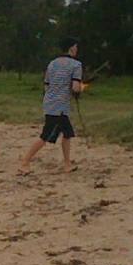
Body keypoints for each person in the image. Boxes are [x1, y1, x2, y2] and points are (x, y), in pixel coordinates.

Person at [19, 37, 83, 176]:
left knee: (67, 134)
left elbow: (46, 84)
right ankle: (25, 162)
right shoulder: (76, 65)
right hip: (59, 107)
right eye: (76, 47)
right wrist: (80, 89)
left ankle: (67, 164)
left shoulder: (52, 63)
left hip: (50, 102)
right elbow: (75, 87)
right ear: (71, 48)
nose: (77, 49)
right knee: (45, 136)